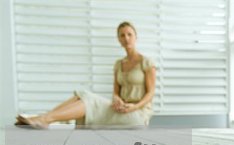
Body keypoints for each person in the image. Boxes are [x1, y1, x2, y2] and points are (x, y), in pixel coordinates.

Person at [16, 21, 156, 129]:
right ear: (118, 39)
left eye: (129, 34)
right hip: (120, 110)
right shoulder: (118, 64)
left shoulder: (146, 62)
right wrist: (117, 99)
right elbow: (115, 93)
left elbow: (150, 93)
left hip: (138, 115)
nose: (126, 38)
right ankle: (44, 118)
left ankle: (45, 120)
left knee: (89, 99)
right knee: (82, 95)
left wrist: (134, 107)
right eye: (122, 35)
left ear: (136, 36)